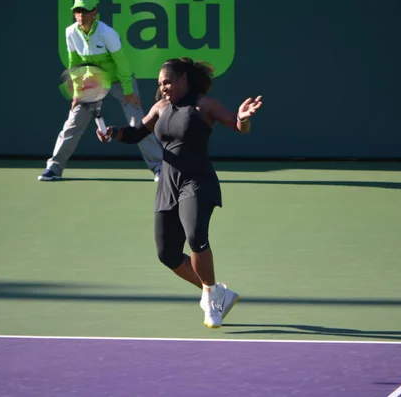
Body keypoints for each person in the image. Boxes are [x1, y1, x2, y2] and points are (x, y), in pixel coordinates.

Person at [96, 57, 263, 328]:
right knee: (168, 254)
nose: (164, 87)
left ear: (184, 79)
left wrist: (243, 119)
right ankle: (217, 291)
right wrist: (113, 132)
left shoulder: (204, 105)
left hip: (197, 181)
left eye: (168, 81)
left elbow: (237, 125)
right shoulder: (160, 108)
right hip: (168, 183)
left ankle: (210, 298)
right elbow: (136, 133)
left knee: (196, 236)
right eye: (161, 83)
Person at [38, 0, 162, 182]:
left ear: (94, 12)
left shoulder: (107, 33)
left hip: (120, 80)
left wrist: (129, 92)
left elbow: (122, 64)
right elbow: (74, 64)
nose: (81, 15)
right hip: (93, 82)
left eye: (85, 11)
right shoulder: (70, 32)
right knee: (74, 121)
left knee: (138, 124)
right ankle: (54, 168)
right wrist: (78, 92)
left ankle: (159, 167)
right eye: (77, 11)